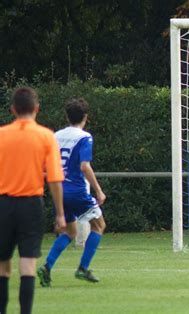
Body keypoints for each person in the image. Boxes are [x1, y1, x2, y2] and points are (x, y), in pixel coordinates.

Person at [0, 87, 66, 314]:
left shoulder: (2, 135)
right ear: (37, 109)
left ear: (13, 110)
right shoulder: (46, 136)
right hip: (31, 204)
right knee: (27, 263)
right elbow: (55, 179)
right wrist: (60, 213)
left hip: (4, 204)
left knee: (2, 264)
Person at [37, 98, 107, 286]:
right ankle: (83, 268)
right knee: (99, 226)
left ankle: (47, 267)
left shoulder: (55, 136)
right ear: (86, 117)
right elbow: (84, 166)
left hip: (59, 189)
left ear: (67, 117)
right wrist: (98, 191)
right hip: (76, 190)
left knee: (69, 231)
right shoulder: (85, 137)